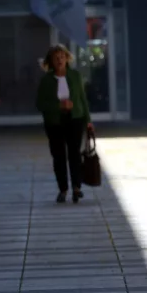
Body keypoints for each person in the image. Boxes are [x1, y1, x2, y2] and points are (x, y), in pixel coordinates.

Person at [36, 45, 93, 204]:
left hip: (75, 118)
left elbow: (82, 99)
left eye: (62, 56)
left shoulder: (75, 76)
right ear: (51, 62)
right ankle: (63, 189)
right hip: (55, 121)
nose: (60, 60)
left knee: (74, 153)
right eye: (56, 58)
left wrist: (88, 121)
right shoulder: (46, 80)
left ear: (67, 58)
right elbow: (40, 104)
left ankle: (77, 187)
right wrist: (58, 106)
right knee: (58, 155)